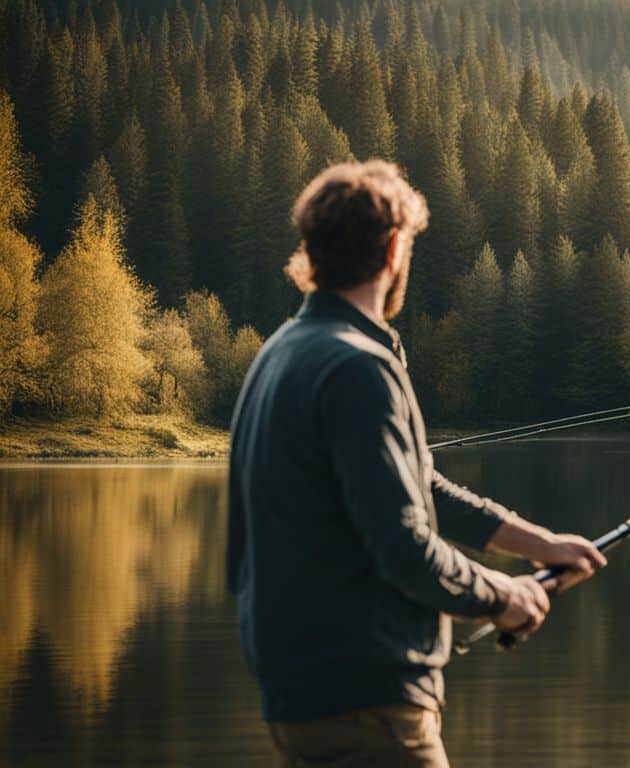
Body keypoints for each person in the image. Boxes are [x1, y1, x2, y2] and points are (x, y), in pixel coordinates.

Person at [227, 160, 606, 767]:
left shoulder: (282, 354)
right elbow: (401, 546)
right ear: (395, 246)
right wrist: (501, 596)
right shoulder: (357, 368)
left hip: (298, 698)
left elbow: (414, 485)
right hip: (369, 702)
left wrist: (538, 544)